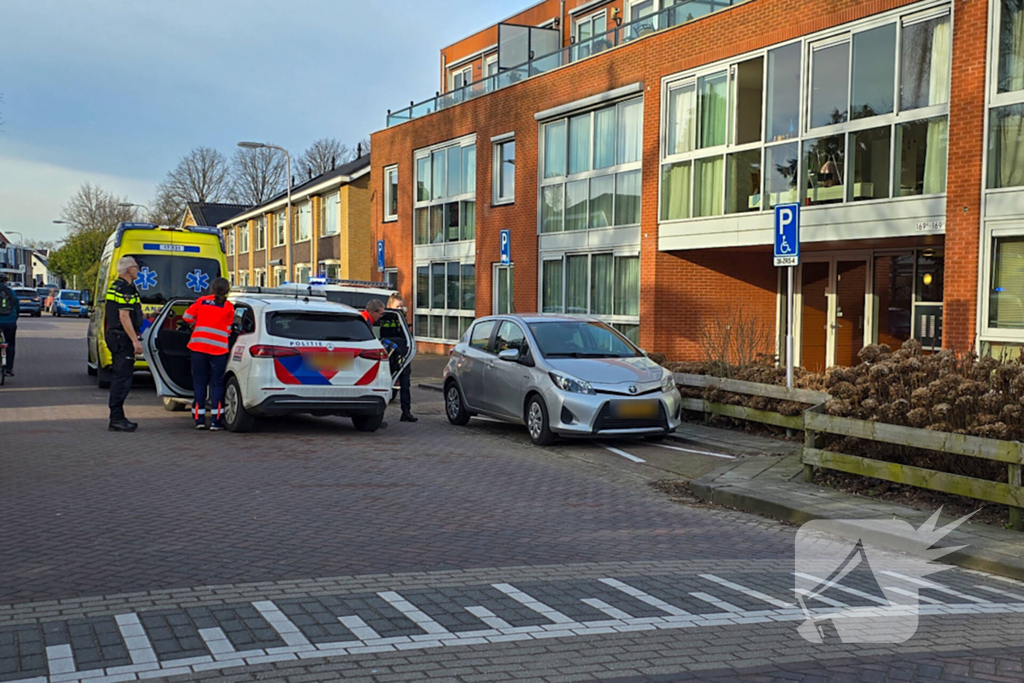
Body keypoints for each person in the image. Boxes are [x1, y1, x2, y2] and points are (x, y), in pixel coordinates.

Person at [181, 278, 235, 430]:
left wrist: (195, 324)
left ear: (212, 288)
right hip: (218, 349)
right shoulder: (228, 307)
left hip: (198, 347)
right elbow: (229, 329)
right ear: (227, 290)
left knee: (199, 383)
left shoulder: (202, 301)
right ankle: (215, 422)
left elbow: (186, 317)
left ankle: (199, 419)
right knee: (217, 384)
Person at [105, 257, 143, 432]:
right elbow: (124, 316)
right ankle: (116, 418)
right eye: (136, 267)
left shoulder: (117, 286)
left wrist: (149, 317)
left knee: (121, 377)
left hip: (116, 336)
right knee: (122, 379)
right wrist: (135, 341)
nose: (138, 270)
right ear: (129, 269)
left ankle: (117, 417)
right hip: (122, 338)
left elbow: (128, 315)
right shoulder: (125, 289)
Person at [380, 293, 416, 422]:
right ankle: (379, 415)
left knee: (405, 384)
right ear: (390, 306)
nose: (400, 309)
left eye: (401, 306)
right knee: (385, 385)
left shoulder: (402, 319)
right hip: (390, 354)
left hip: (403, 355)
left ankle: (406, 412)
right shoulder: (384, 318)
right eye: (397, 306)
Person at [0, 275, 19, 377]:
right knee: (10, 344)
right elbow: (17, 307)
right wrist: (15, 318)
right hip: (10, 321)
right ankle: (9, 368)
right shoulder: (11, 292)